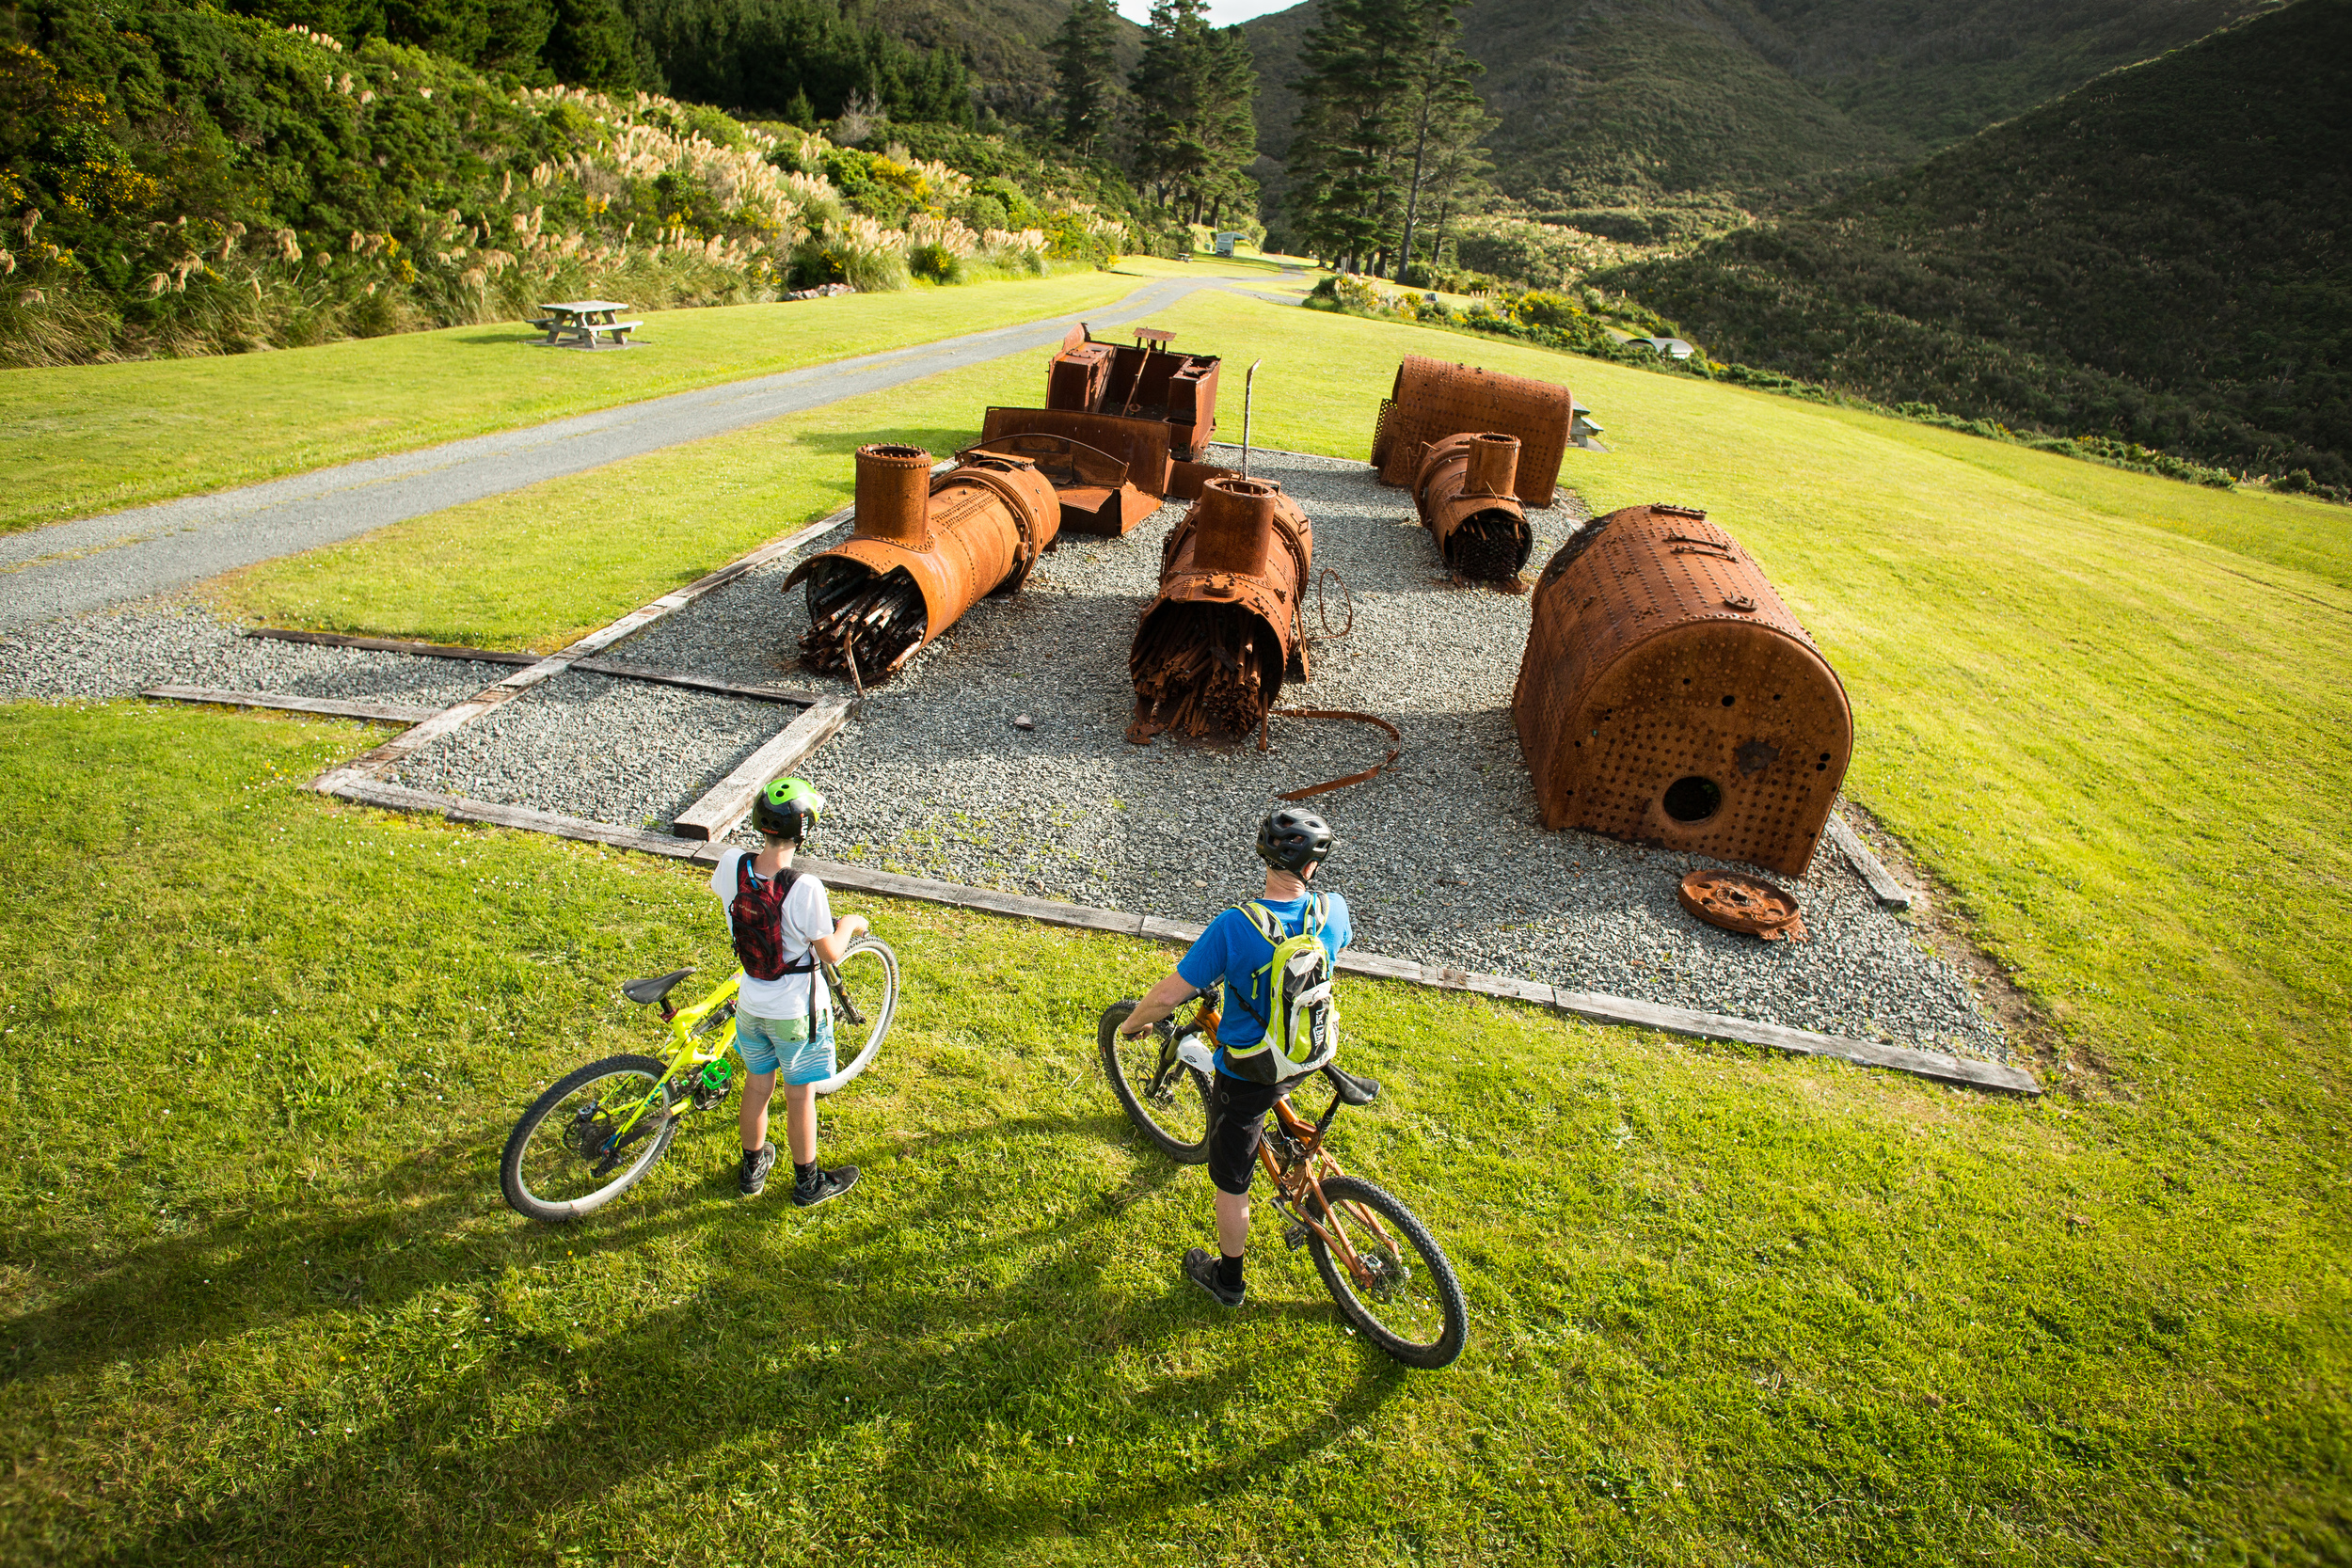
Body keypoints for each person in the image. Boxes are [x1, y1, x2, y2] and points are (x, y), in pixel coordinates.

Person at [1118, 807, 1352, 1307]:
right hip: (1311, 1051)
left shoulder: (1234, 927)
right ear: (1312, 867)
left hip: (1252, 1070)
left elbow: (1167, 997)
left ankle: (1228, 1280)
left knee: (1232, 1181)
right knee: (1280, 1101)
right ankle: (1292, 1145)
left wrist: (1133, 1023)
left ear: (1264, 854)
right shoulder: (1335, 911)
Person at [708, 776, 868, 1207]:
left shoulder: (730, 864)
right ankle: (808, 1183)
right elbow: (831, 952)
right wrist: (850, 922)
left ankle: (752, 1168)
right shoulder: (804, 887)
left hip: (751, 1002)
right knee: (800, 1095)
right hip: (796, 1012)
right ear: (804, 829)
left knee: (757, 1086)